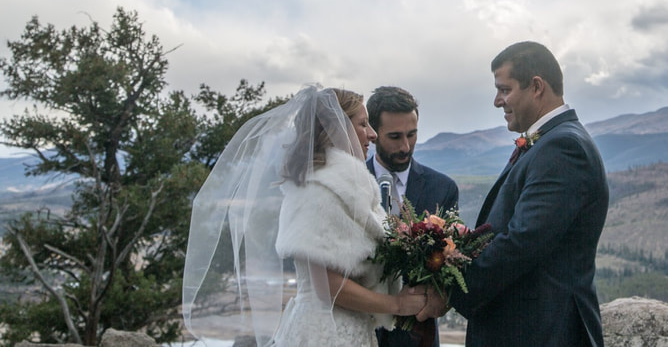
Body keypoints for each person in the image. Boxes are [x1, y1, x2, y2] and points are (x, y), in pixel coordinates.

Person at [182, 85, 427, 347]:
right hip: (323, 334)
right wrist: (396, 304)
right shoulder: (317, 191)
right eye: (363, 124)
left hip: (351, 330)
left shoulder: (348, 189)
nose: (372, 134)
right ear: (336, 130)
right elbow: (328, 285)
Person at [416, 41, 610, 346]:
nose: (497, 101)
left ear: (536, 86)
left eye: (504, 89)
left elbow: (522, 242)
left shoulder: (564, 148)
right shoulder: (550, 141)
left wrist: (453, 291)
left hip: (544, 332)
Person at [366, 85, 459, 347]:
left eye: (412, 134)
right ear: (373, 134)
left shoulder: (443, 188)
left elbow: (449, 265)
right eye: (395, 137)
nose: (406, 146)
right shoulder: (353, 184)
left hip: (417, 336)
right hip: (359, 328)